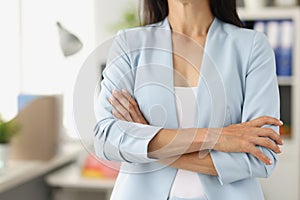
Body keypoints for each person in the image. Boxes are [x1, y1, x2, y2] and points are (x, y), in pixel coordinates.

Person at [94, 0, 284, 199]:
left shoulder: (251, 46)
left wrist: (146, 142)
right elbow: (106, 139)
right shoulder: (129, 44)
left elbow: (262, 157)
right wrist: (217, 137)